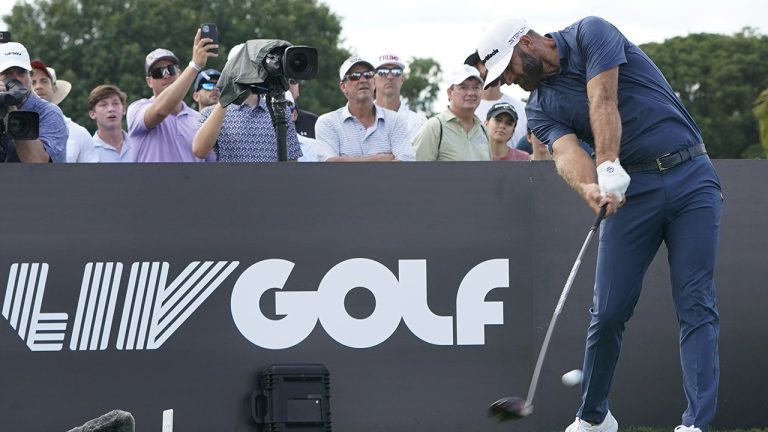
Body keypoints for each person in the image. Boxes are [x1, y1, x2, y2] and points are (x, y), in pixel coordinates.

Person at [478, 16, 722, 432]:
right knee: (608, 311)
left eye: (510, 70)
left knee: (695, 303)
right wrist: (590, 187)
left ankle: (696, 424)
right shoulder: (538, 107)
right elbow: (566, 151)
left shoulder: (592, 33)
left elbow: (602, 97)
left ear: (527, 45)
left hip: (690, 177)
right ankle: (594, 418)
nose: (511, 83)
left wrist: (607, 163)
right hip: (630, 192)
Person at [193, 44, 302, 162]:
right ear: (230, 71)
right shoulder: (210, 112)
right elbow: (199, 151)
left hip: (272, 180)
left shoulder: (281, 111)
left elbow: (291, 163)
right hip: (232, 180)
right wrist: (225, 101)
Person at [127, 28, 217, 162]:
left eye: (171, 69)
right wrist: (195, 66)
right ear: (149, 81)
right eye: (158, 72)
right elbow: (160, 111)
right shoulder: (137, 109)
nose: (166, 75)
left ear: (179, 73)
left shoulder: (199, 119)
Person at [315, 56, 414, 162]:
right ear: (343, 86)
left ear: (374, 82)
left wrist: (345, 160)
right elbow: (331, 165)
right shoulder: (328, 122)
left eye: (368, 75)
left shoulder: (395, 120)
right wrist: (384, 158)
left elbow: (405, 163)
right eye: (355, 76)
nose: (363, 80)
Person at [0, 42, 67, 163]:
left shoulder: (49, 113)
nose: (16, 79)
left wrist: (11, 106)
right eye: (7, 73)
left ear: (30, 76)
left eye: (21, 72)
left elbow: (39, 165)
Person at [412, 65, 489, 161]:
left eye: (476, 87)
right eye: (463, 87)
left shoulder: (484, 131)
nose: (471, 93)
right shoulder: (434, 127)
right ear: (449, 92)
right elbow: (417, 172)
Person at [30, 60, 99, 163]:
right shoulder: (12, 129)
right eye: (32, 82)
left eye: (44, 81)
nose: (38, 86)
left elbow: (91, 176)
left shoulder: (79, 133)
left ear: (54, 89)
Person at [465, 51, 528, 147]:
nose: (492, 66)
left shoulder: (523, 109)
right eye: (485, 62)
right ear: (475, 68)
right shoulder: (466, 111)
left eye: (496, 61)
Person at [372, 51, 427, 144]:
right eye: (383, 72)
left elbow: (412, 157)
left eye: (396, 72)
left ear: (402, 79)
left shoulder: (419, 122)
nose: (390, 77)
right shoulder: (358, 119)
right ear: (373, 80)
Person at [88, 84, 135, 162]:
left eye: (115, 103)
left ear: (124, 110)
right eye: (103, 105)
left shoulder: (138, 144)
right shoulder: (88, 151)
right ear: (92, 114)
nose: (111, 109)